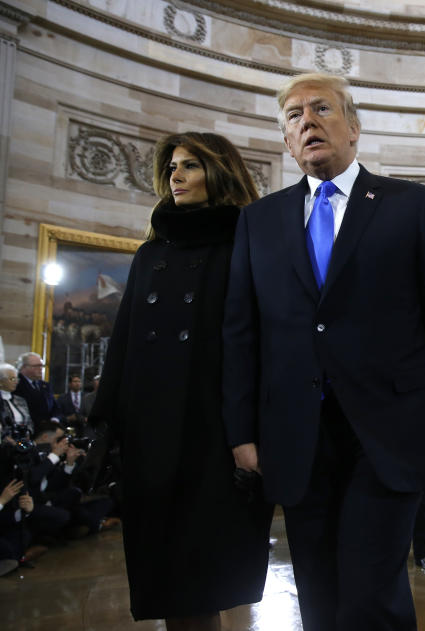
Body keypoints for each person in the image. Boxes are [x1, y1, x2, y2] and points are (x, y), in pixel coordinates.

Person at [221, 72, 425, 631]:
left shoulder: (411, 205)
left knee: (370, 592)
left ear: (354, 127)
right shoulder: (258, 222)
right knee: (318, 591)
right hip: (296, 435)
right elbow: (241, 333)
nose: (307, 121)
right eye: (294, 115)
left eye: (321, 109)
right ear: (287, 141)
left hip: (388, 431)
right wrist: (241, 431)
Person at [90, 132, 274, 630]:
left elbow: (263, 346)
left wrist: (252, 432)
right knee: (166, 579)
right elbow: (123, 344)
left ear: (220, 173)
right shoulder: (150, 254)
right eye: (172, 166)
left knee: (203, 576)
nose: (176, 175)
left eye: (191, 165)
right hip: (150, 436)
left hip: (215, 435)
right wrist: (105, 426)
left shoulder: (249, 244)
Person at [13, 353, 57, 424]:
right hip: (29, 427)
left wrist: (55, 418)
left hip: (48, 427)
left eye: (41, 366)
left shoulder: (45, 385)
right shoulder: (16, 385)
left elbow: (55, 406)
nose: (40, 368)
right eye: (37, 366)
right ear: (24, 367)